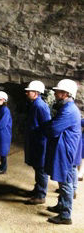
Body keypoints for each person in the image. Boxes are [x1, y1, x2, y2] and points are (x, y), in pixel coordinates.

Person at [44, 79, 81, 225]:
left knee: (65, 182)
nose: (55, 93)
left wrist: (44, 128)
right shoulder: (68, 108)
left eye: (58, 91)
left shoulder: (68, 110)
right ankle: (62, 206)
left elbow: (53, 129)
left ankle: (65, 215)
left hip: (66, 150)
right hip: (68, 149)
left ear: (65, 94)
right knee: (67, 180)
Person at [24, 81, 51, 205]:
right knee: (37, 166)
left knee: (41, 168)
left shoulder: (40, 106)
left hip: (40, 142)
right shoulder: (34, 104)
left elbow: (46, 125)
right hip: (35, 141)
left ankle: (41, 195)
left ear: (36, 93)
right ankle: (37, 189)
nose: (27, 92)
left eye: (29, 91)